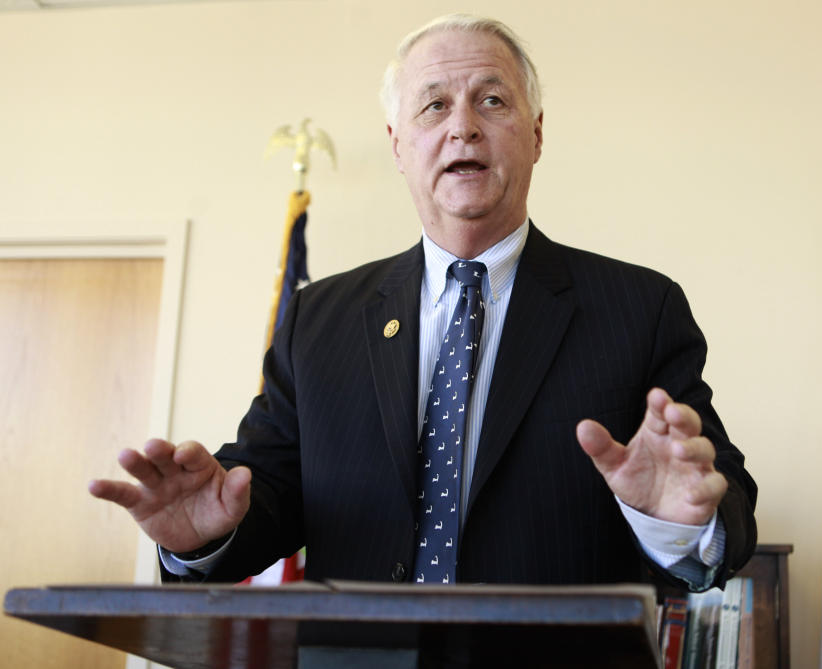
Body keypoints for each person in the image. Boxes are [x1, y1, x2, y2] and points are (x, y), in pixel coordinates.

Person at [89, 14, 756, 591]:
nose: (463, 126)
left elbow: (724, 499)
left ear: (537, 133)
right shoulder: (319, 320)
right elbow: (262, 493)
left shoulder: (639, 308)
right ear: (398, 146)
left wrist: (676, 521)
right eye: (434, 106)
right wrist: (200, 537)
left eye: (492, 101)